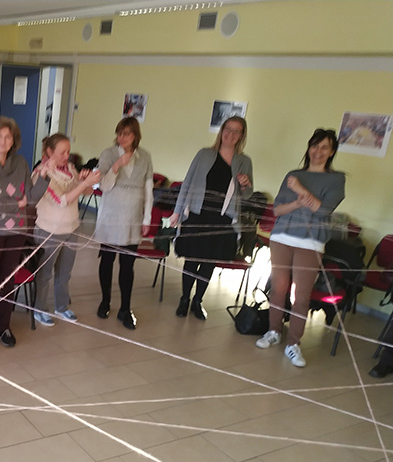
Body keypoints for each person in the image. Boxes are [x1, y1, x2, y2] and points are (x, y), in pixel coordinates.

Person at [255, 128, 345, 368]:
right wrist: (297, 201)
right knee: (278, 289)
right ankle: (273, 331)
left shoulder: (336, 179)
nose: (318, 151)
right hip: (282, 237)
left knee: (301, 297)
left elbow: (324, 210)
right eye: (315, 146)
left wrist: (300, 191)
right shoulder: (293, 174)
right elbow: (277, 210)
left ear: (332, 152)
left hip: (311, 242)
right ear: (309, 148)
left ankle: (293, 344)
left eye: (324, 147)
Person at [0, 117, 49, 351]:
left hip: (16, 231)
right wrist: (18, 204)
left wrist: (44, 177)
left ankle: (3, 326)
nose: (4, 140)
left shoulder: (21, 163)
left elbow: (31, 198)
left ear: (14, 140)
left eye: (8, 136)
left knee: (8, 281)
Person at [170, 116, 253, 320]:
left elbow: (248, 194)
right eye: (228, 129)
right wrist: (177, 211)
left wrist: (245, 184)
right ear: (222, 130)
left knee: (209, 262)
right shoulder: (204, 154)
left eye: (237, 131)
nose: (231, 134)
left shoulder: (244, 161)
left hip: (223, 218)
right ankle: (184, 299)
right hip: (198, 215)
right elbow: (187, 183)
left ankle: (198, 301)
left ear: (241, 136)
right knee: (192, 259)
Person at [32, 133, 100, 326]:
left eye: (68, 152)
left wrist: (86, 181)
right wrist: (83, 184)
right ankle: (39, 309)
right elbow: (62, 200)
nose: (67, 156)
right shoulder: (41, 173)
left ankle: (61, 306)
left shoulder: (70, 168)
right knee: (45, 273)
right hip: (48, 229)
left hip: (71, 228)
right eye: (62, 152)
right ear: (49, 152)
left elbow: (85, 192)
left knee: (65, 272)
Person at [94, 117, 154, 329]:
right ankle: (105, 301)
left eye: (127, 133)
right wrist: (117, 165)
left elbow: (148, 190)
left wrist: (147, 218)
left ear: (135, 135)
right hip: (111, 213)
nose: (122, 137)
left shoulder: (145, 157)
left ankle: (125, 308)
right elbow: (104, 186)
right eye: (119, 133)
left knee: (127, 264)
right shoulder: (108, 154)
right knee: (107, 259)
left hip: (132, 216)